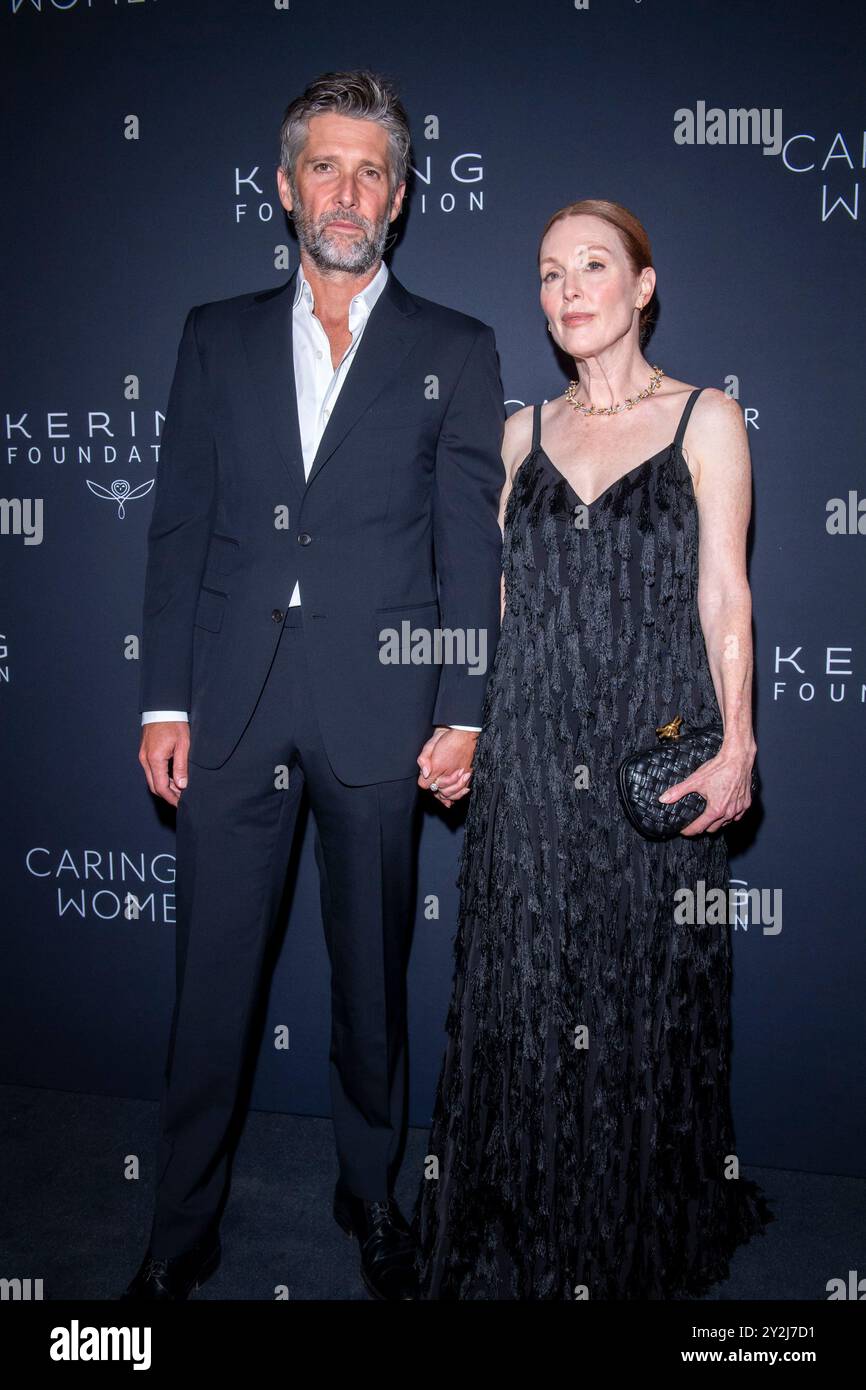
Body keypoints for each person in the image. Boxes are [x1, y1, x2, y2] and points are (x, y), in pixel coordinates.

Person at [123, 69, 504, 1301]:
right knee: (209, 986)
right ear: (285, 189)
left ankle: (370, 1191)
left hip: (380, 713)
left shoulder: (456, 346)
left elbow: (469, 548)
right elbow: (180, 528)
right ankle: (179, 1227)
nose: (346, 192)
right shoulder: (213, 334)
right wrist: (163, 701)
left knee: (369, 980)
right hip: (229, 704)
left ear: (398, 200)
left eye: (371, 171)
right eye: (324, 167)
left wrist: (461, 707)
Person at [412, 199, 774, 1299]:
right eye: (547, 272)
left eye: (592, 265)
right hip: (528, 745)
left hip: (644, 751)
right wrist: (465, 727)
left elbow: (724, 591)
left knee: (637, 1000)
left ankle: (622, 1230)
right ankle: (524, 1207)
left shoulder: (704, 419)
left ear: (641, 285)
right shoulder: (519, 433)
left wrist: (738, 740)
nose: (567, 289)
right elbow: (500, 598)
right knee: (523, 994)